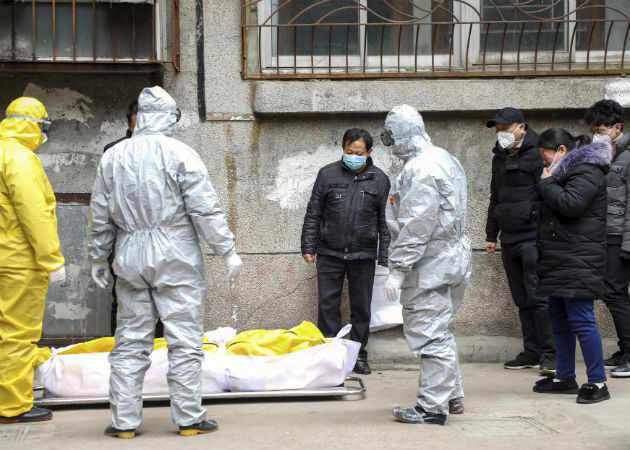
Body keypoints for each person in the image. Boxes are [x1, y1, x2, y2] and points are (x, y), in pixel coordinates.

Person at [88, 86, 243, 438]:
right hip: (175, 254)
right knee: (184, 339)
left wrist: (99, 255)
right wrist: (226, 250)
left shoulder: (113, 157)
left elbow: (99, 212)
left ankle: (124, 422)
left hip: (129, 254)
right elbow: (204, 208)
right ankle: (188, 418)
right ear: (168, 116)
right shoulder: (180, 154)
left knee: (129, 340)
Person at [381, 104, 472, 425]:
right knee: (440, 331)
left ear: (400, 135)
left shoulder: (420, 169)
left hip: (430, 262)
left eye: (390, 137)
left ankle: (432, 407)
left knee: (429, 333)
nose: (389, 145)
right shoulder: (444, 158)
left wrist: (398, 270)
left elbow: (417, 226)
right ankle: (451, 396)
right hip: (452, 257)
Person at [301, 128, 391, 375]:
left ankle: (358, 355)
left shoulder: (380, 180)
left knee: (361, 308)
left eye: (358, 153)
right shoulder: (327, 174)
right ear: (343, 149)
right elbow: (314, 213)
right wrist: (308, 246)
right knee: (328, 305)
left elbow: (386, 221)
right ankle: (330, 354)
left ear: (369, 152)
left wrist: (383, 256)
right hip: (330, 252)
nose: (353, 156)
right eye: (349, 152)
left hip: (363, 254)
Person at [0, 97, 66, 424]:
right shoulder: (20, 159)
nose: (43, 135)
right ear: (33, 125)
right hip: (16, 262)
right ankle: (12, 406)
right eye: (43, 127)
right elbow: (34, 214)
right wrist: (53, 260)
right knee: (16, 333)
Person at [533, 128, 610, 404]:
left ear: (562, 151)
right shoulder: (563, 172)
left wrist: (546, 184)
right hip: (560, 257)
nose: (544, 163)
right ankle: (564, 376)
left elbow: (572, 204)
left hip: (579, 258)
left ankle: (598, 381)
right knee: (558, 318)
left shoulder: (587, 170)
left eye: (546, 156)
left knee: (581, 319)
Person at [484, 107, 556, 375]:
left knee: (539, 297)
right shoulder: (499, 156)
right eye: (498, 128)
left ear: (521, 127)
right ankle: (532, 351)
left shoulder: (539, 153)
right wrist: (491, 235)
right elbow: (495, 197)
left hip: (533, 237)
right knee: (522, 298)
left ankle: (551, 353)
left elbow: (549, 193)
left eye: (505, 127)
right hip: (509, 237)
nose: (500, 132)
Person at [102, 100, 164, 338]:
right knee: (123, 299)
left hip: (161, 238)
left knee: (162, 298)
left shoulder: (168, 151)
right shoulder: (113, 151)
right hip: (123, 238)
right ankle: (119, 355)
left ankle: (159, 357)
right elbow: (104, 200)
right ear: (129, 124)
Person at [584, 99, 630, 378]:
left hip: (619, 235)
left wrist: (627, 243)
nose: (596, 134)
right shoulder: (603, 152)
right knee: (612, 294)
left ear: (617, 128)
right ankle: (624, 350)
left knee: (615, 294)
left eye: (600, 129)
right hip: (604, 234)